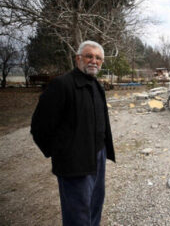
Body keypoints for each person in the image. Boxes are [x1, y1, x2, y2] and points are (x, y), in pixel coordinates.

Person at [31, 40, 115, 226]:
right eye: (89, 56)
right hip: (74, 162)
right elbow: (39, 127)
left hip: (98, 156)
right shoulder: (61, 84)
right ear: (78, 59)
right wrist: (61, 153)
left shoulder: (97, 86)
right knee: (77, 214)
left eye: (98, 58)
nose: (94, 61)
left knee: (95, 205)